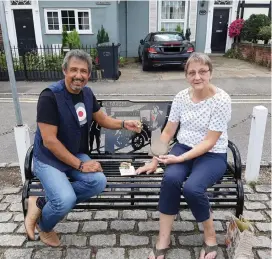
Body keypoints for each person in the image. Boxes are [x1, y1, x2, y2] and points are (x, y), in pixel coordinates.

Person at [24, 49, 142, 247]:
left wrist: (124, 124)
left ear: (88, 75)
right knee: (65, 199)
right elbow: (49, 141)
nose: (79, 76)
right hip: (49, 158)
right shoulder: (50, 97)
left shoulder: (87, 93)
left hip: (74, 153)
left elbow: (101, 118)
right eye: (74, 70)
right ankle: (45, 227)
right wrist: (80, 165)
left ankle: (40, 202)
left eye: (84, 71)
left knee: (97, 182)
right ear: (64, 71)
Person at [136, 52, 231, 259]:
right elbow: (168, 132)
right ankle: (163, 238)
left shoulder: (221, 100)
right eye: (192, 72)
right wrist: (155, 159)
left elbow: (209, 142)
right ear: (187, 76)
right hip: (183, 147)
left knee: (192, 188)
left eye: (202, 72)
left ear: (210, 73)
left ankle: (210, 235)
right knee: (170, 179)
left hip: (212, 154)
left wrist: (179, 159)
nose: (197, 77)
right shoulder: (181, 97)